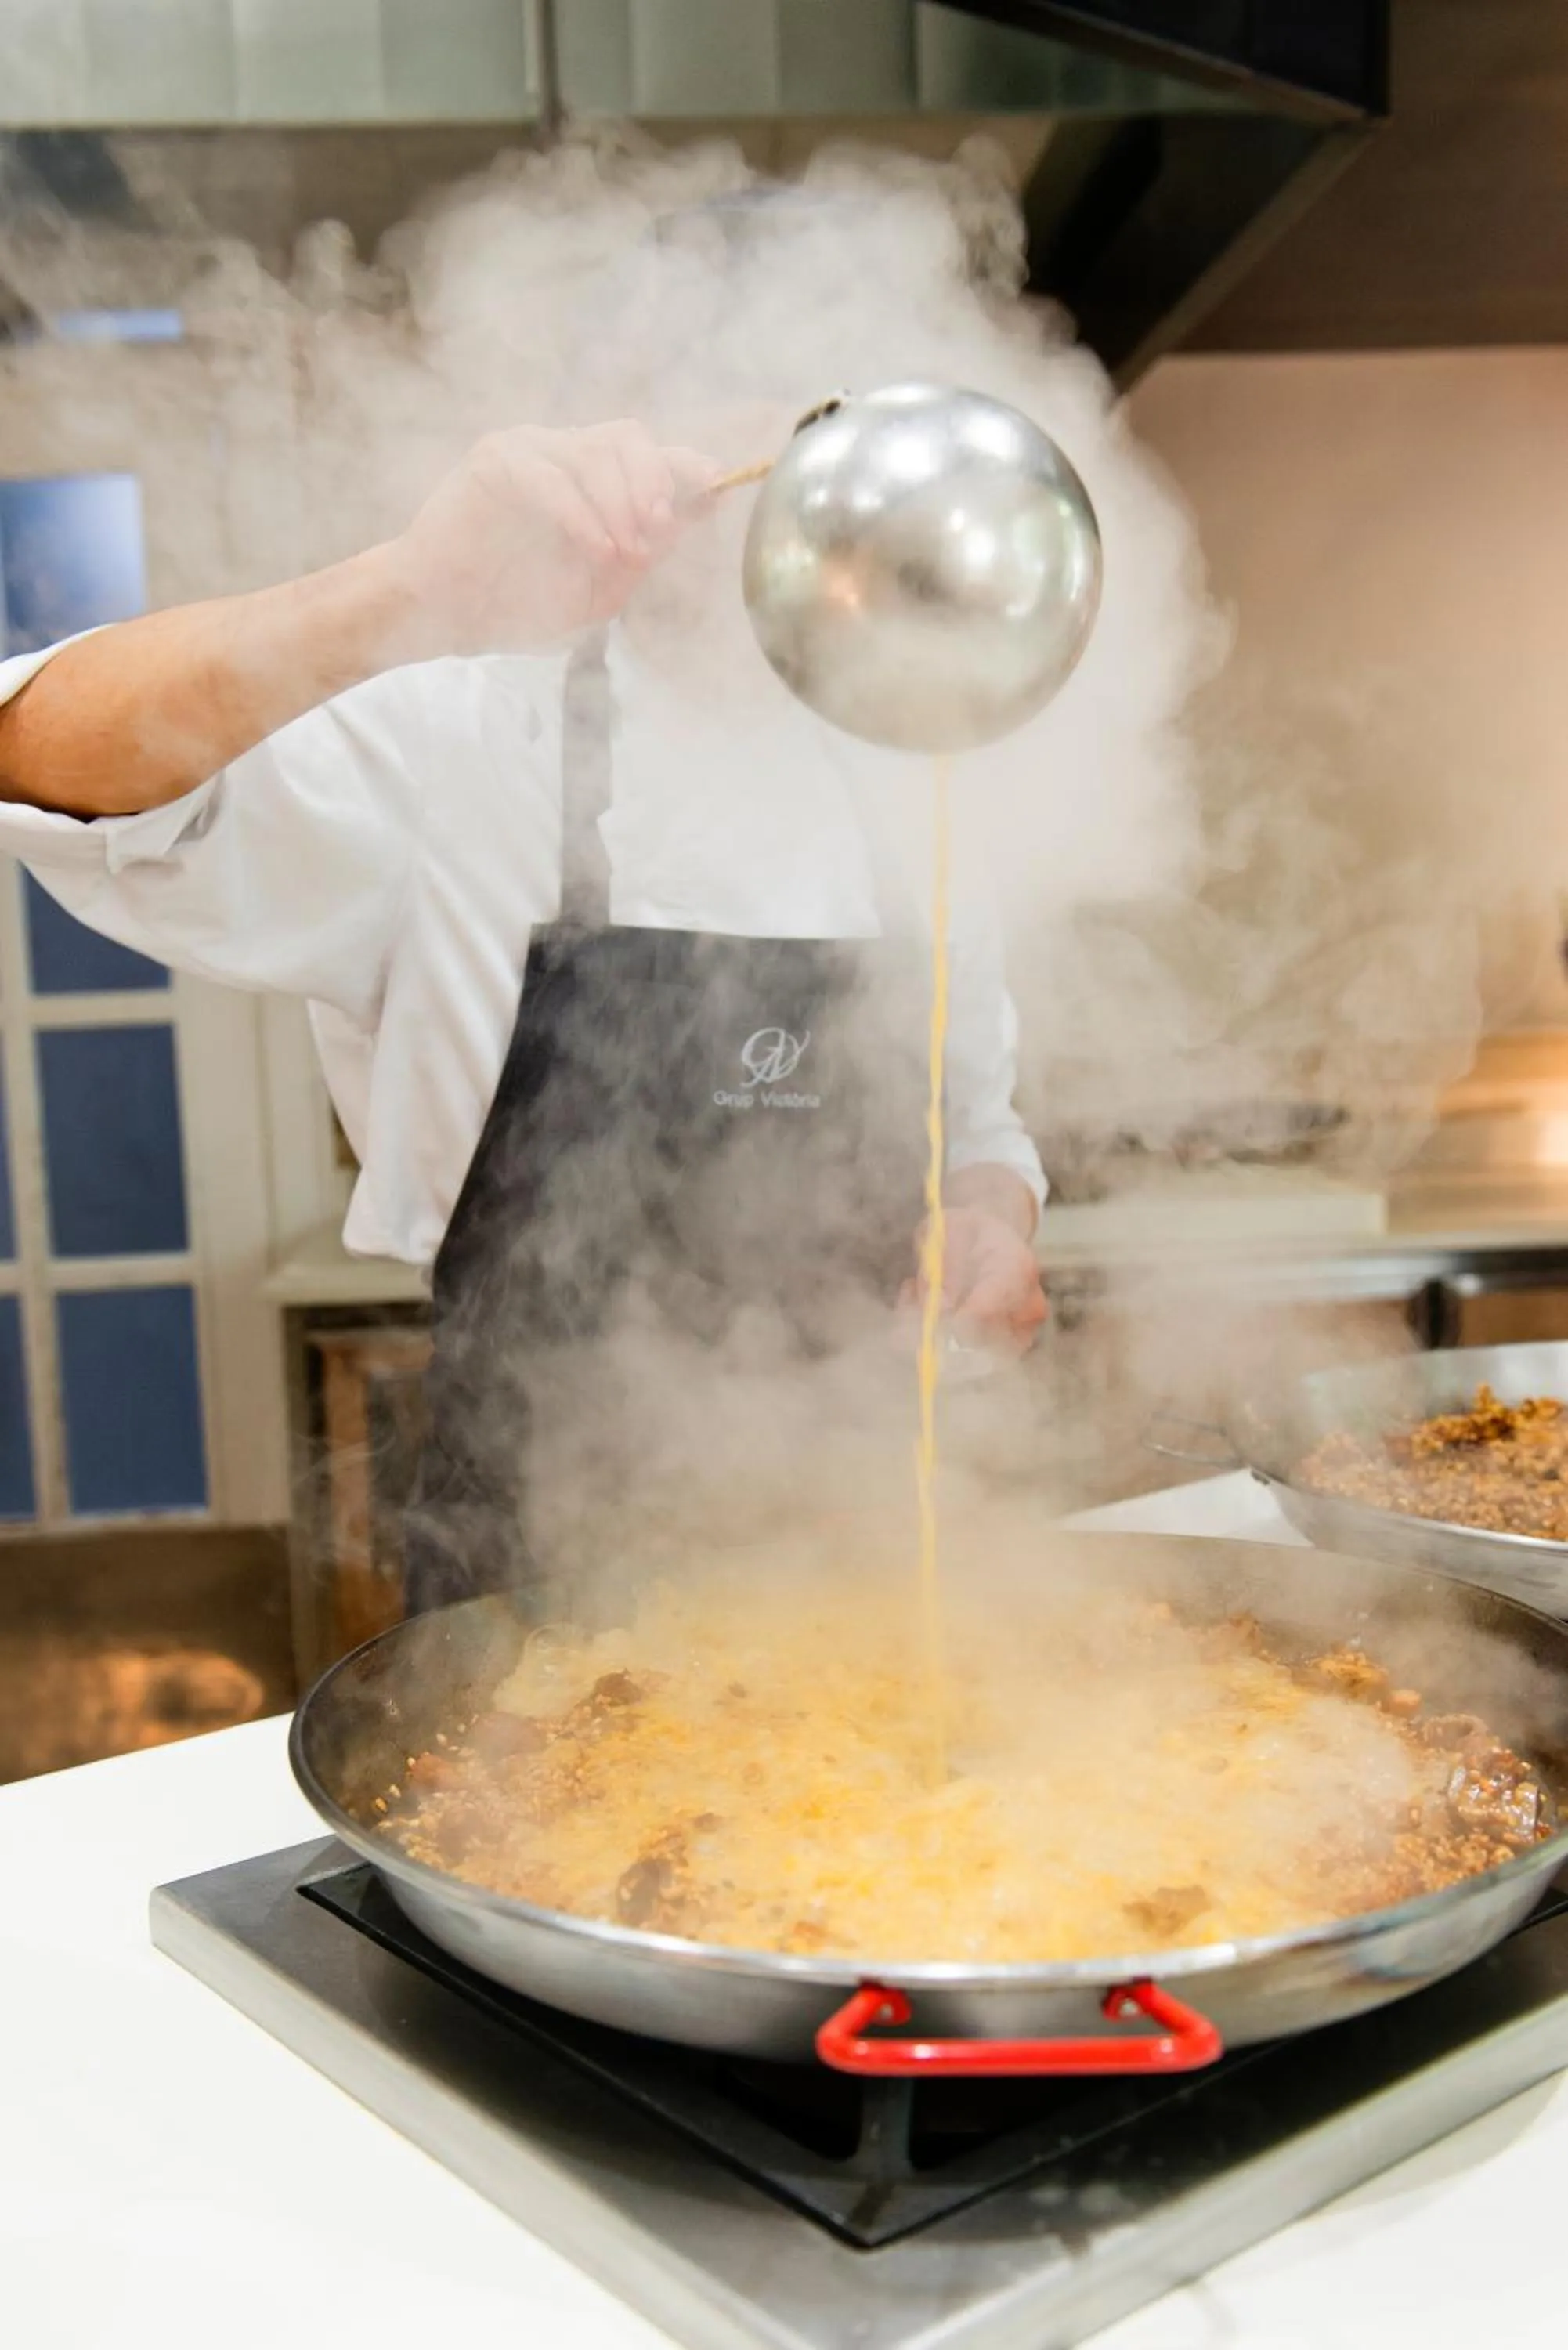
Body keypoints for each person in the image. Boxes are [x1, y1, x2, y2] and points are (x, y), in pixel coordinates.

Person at [0, 417, 1048, 1612]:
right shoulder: (458, 729)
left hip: (876, 1548)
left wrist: (985, 1223)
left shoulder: (913, 777)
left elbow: (977, 1131)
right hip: (538, 1571)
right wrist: (411, 589)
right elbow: (37, 753)